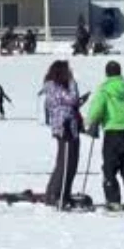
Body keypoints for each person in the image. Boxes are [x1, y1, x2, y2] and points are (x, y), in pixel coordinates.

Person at [85, 60, 124, 212]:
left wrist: (90, 121)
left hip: (112, 131)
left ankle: (113, 201)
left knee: (109, 167)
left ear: (107, 73)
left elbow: (96, 109)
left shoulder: (105, 89)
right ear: (120, 72)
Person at [42, 60, 87, 209]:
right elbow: (71, 99)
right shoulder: (54, 85)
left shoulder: (57, 86)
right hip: (64, 127)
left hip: (70, 126)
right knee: (65, 163)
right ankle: (56, 193)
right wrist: (73, 83)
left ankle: (63, 192)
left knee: (71, 162)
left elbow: (69, 102)